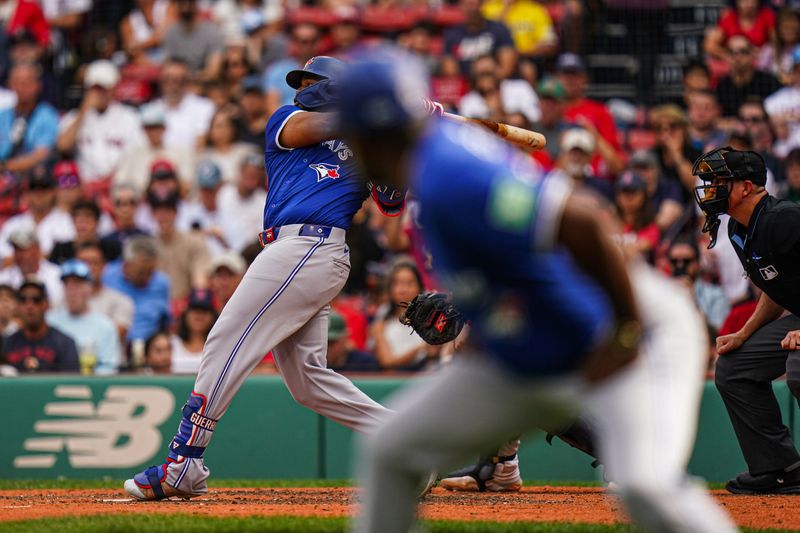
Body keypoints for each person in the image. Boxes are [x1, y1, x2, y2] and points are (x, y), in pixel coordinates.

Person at [337, 49, 736, 533]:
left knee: (644, 485)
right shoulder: (426, 169)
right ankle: (498, 464)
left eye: (350, 134)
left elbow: (584, 221)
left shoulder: (452, 170)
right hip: (539, 340)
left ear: (373, 135)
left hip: (625, 326)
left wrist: (626, 333)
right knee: (391, 450)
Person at [123, 56, 434, 502]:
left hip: (314, 248)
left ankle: (184, 463)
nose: (302, 87)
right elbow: (320, 125)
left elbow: (390, 201)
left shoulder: (367, 143)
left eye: (313, 81)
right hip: (292, 250)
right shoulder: (288, 119)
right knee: (307, 381)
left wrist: (408, 139)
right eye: (300, 81)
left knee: (224, 341)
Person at [694, 147, 800, 494]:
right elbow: (777, 285)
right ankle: (778, 468)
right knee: (734, 366)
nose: (710, 188)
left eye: (719, 181)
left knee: (799, 366)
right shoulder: (740, 228)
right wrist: (744, 332)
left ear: (745, 187)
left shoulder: (782, 218)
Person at [55, 60, 146, 189]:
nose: (98, 94)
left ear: (114, 89)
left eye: (103, 89)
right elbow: (63, 145)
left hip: (119, 186)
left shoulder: (129, 117)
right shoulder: (75, 117)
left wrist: (108, 182)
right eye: (94, 89)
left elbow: (136, 155)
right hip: (84, 187)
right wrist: (83, 111)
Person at [47, 259, 121, 375]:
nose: (72, 292)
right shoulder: (49, 321)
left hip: (91, 385)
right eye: (67, 285)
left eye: (77, 285)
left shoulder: (105, 326)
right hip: (55, 384)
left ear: (89, 288)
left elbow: (109, 368)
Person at [369, 258, 437, 372]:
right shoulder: (380, 324)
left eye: (409, 283)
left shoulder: (433, 319)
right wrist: (422, 348)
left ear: (420, 287)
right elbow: (387, 362)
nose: (403, 289)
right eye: (398, 283)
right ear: (390, 289)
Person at [114, 102, 196, 197]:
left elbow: (187, 184)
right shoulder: (133, 153)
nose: (153, 132)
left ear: (164, 128)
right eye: (149, 128)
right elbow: (120, 184)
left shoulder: (181, 151)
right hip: (140, 204)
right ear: (143, 130)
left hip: (174, 204)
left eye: (156, 127)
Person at [102, 235, 171, 345]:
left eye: (151, 272)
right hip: (115, 344)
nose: (147, 278)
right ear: (126, 265)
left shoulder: (161, 283)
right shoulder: (107, 276)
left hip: (149, 347)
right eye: (142, 273)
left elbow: (166, 322)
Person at [1, 279, 78, 373]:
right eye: (23, 300)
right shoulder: (6, 344)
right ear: (18, 306)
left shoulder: (64, 344)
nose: (29, 306)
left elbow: (70, 385)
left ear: (46, 304)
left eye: (36, 300)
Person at [148, 189, 210, 303]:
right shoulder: (147, 245)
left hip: (185, 305)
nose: (163, 216)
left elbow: (200, 283)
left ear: (176, 212)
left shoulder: (194, 242)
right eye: (159, 210)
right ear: (153, 214)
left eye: (168, 210)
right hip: (154, 305)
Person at [0, 63, 59, 177]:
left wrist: (5, 167)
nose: (22, 87)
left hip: (30, 179)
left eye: (27, 83)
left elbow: (41, 155)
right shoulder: (2, 116)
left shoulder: (47, 115)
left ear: (38, 85)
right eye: (17, 82)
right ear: (10, 85)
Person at [0, 171, 74, 259]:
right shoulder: (13, 223)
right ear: (27, 193)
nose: (39, 194)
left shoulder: (66, 221)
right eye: (34, 189)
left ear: (54, 192)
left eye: (44, 189)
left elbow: (65, 254)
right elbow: (4, 256)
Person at [666, 235, 730, 335]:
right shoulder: (660, 293)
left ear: (697, 262)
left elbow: (718, 334)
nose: (680, 265)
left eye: (686, 261)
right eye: (674, 261)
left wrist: (692, 302)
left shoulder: (716, 295)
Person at [75, 241, 134, 342]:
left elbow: (114, 335)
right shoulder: (62, 301)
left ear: (104, 266)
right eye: (83, 263)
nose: (89, 268)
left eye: (94, 263)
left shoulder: (121, 301)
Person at [442, 0, 517, 80]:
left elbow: (507, 67)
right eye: (469, 5)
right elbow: (450, 70)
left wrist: (487, 83)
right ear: (461, 7)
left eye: (477, 4)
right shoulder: (452, 35)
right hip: (466, 87)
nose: (474, 9)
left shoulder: (498, 29)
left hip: (497, 84)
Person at [457, 54, 540, 125]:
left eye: (489, 73)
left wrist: (501, 111)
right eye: (481, 75)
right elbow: (468, 133)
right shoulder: (468, 101)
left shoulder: (520, 88)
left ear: (498, 70)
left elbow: (535, 119)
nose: (486, 79)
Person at [715, 36, 781, 118]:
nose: (737, 57)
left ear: (753, 54)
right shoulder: (722, 86)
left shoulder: (769, 82)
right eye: (731, 52)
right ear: (727, 56)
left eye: (743, 52)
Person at [0, 227, 63, 306]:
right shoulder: (3, 278)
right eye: (16, 249)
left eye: (23, 249)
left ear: (36, 249)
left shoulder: (57, 275)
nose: (19, 255)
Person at [163, 0, 224, 78]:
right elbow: (167, 65)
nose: (185, 7)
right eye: (181, 3)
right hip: (177, 82)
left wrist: (193, 80)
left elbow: (214, 70)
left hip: (202, 83)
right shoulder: (171, 32)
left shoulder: (212, 32)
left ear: (196, 3)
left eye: (190, 2)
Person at [199, 109, 259, 186]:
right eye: (218, 126)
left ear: (233, 129)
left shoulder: (248, 152)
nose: (223, 130)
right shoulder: (204, 157)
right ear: (210, 131)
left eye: (226, 125)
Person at [614, 171, 660, 263]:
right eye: (624, 192)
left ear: (643, 196)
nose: (628, 198)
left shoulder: (651, 227)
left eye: (633, 192)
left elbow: (633, 251)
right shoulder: (608, 221)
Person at [171, 288, 217, 374]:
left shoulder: (219, 347)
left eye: (204, 311)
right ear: (185, 314)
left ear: (213, 316)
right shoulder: (171, 344)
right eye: (194, 310)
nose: (199, 315)